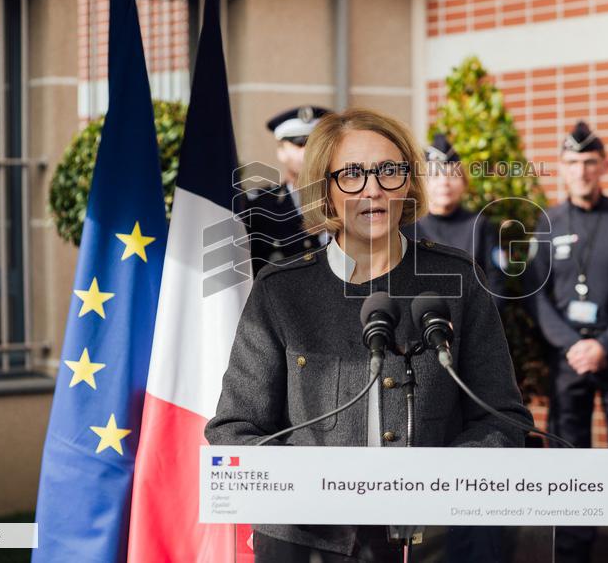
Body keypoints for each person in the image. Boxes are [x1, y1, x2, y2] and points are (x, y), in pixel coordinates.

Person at [206, 108, 531, 562]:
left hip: (430, 541)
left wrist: (441, 481)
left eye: (388, 171)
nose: (373, 188)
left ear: (408, 184)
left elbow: (502, 419)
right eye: (353, 174)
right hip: (307, 543)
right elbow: (233, 430)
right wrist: (315, 483)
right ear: (326, 189)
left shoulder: (458, 280)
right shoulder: (281, 292)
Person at [524, 121, 608, 563]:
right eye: (573, 163)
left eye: (590, 163)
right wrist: (571, 345)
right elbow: (535, 294)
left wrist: (604, 344)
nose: (582, 171)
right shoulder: (548, 222)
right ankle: (573, 548)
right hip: (568, 360)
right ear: (561, 169)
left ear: (605, 167)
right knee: (569, 457)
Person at [402, 132, 506, 302]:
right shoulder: (406, 228)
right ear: (422, 184)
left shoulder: (479, 226)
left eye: (452, 175)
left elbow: (496, 285)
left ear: (464, 183)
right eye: (435, 175)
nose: (444, 182)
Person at [245, 105, 331, 274]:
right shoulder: (259, 207)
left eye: (315, 143)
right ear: (281, 151)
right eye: (300, 143)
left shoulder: (348, 200)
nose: (308, 151)